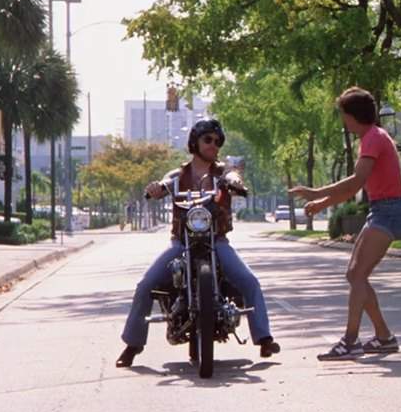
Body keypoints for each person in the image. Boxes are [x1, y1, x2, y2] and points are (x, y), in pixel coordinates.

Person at [116, 118, 281, 367]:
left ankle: (264, 338)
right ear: (195, 142)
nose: (213, 145)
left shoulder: (222, 172)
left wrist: (236, 182)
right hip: (181, 243)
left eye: (217, 141)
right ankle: (132, 343)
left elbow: (233, 174)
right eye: (208, 140)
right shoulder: (177, 175)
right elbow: (162, 184)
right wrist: (155, 188)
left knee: (249, 281)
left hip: (217, 241)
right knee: (146, 284)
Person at [290, 87, 401, 361]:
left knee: (357, 276)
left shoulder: (373, 139)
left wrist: (317, 193)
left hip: (388, 211)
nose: (343, 120)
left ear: (353, 116)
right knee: (354, 275)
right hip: (381, 209)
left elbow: (356, 181)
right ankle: (384, 337)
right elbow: (354, 187)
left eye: (343, 115)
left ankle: (351, 340)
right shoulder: (371, 138)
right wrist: (321, 205)